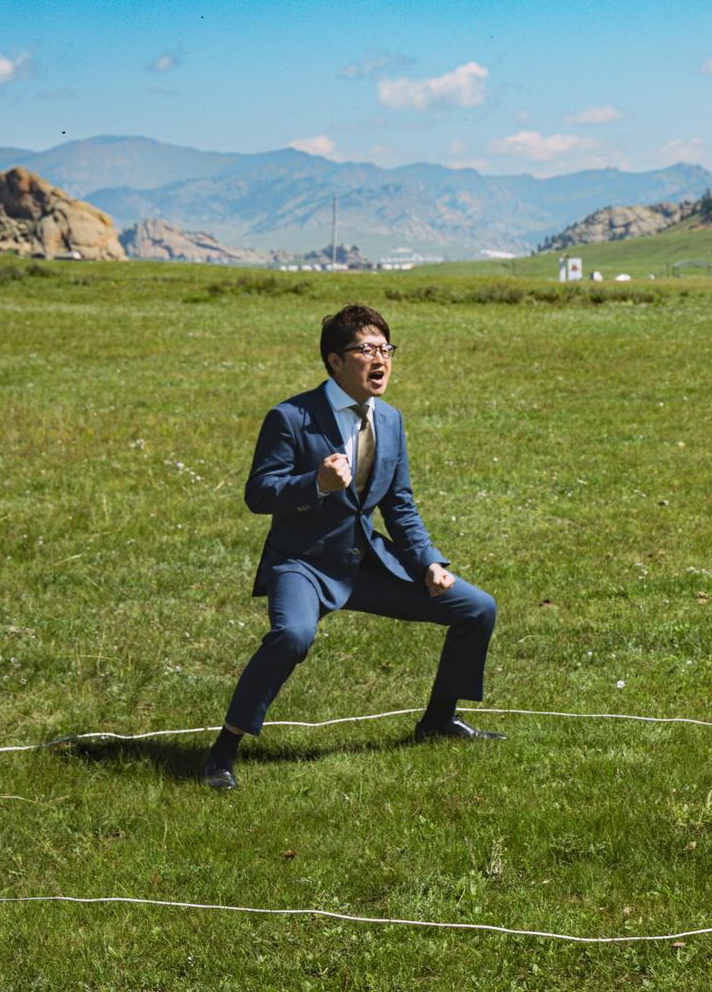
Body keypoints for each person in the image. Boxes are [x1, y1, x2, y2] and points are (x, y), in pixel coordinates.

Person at [203, 304, 502, 790]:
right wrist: (315, 484)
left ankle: (438, 721)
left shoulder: (392, 420)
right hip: (302, 563)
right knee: (292, 636)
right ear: (335, 361)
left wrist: (428, 562)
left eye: (386, 349)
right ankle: (223, 751)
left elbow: (399, 505)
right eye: (366, 349)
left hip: (364, 562)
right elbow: (258, 494)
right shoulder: (290, 417)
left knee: (477, 608)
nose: (380, 359)